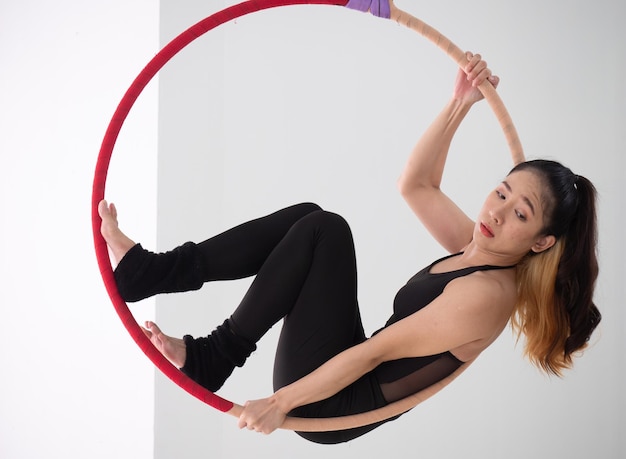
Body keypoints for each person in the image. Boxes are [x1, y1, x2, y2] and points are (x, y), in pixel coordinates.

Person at [98, 52, 600, 444]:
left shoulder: (488, 294)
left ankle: (214, 355)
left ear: (542, 242)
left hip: (333, 403)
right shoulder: (481, 248)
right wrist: (460, 103)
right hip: (342, 365)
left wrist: (280, 404)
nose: (495, 211)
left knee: (326, 231)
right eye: (502, 191)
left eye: (520, 213)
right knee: (309, 218)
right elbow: (416, 185)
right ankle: (157, 275)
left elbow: (372, 354)